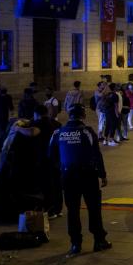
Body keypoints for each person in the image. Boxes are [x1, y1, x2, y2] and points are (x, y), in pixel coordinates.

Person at [47, 105, 111, 256]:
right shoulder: (87, 132)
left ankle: (76, 244)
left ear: (69, 116)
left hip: (68, 177)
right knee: (94, 209)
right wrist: (102, 174)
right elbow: (96, 154)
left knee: (73, 211)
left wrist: (62, 168)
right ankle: (99, 240)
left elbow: (50, 156)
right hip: (88, 175)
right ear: (83, 116)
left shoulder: (58, 132)